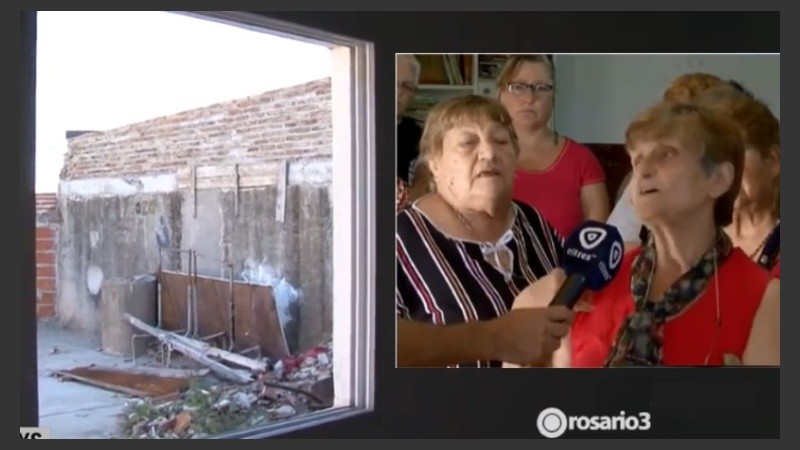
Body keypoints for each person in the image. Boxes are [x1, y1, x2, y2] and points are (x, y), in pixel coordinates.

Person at [512, 100, 780, 367]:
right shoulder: (593, 283)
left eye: (667, 154)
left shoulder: (765, 297)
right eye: (637, 159)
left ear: (719, 179)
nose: (644, 170)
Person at [396, 94, 574, 368]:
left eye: (501, 141)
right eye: (468, 143)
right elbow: (373, 346)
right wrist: (495, 338)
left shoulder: (533, 221)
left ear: (515, 157)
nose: (489, 153)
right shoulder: (399, 238)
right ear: (434, 164)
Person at [496, 54, 609, 238]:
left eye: (541, 88)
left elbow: (596, 240)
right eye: (518, 87)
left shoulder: (582, 160)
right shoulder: (484, 157)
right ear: (500, 93)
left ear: (553, 96)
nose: (529, 98)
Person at [694, 86, 781, 277]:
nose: (721, 171)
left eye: (734, 154)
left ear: (774, 161)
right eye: (710, 158)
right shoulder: (692, 240)